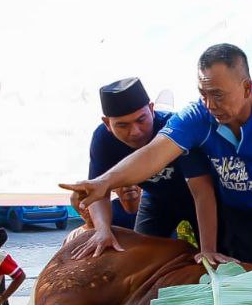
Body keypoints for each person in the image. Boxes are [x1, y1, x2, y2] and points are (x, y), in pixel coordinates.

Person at [62, 43, 252, 280]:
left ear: (247, 87)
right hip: (242, 206)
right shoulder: (195, 116)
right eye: (203, 93)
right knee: (241, 271)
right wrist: (103, 182)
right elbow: (155, 153)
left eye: (217, 94)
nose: (209, 104)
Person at [78, 77, 219, 258]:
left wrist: (208, 249)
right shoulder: (103, 140)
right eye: (122, 125)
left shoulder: (176, 128)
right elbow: (98, 189)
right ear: (107, 123)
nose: (135, 131)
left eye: (141, 120)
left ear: (152, 109)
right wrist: (102, 229)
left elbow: (202, 191)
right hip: (156, 199)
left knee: (218, 257)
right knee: (140, 257)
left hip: (198, 197)